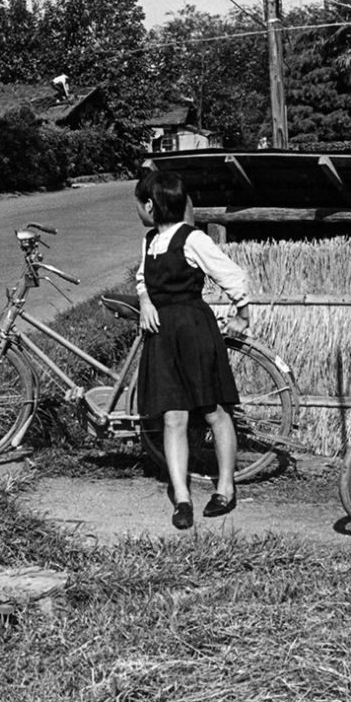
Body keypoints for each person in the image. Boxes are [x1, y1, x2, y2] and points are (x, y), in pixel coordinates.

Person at [134, 170, 251, 530]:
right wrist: (144, 301)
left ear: (150, 205)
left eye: (139, 204)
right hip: (162, 335)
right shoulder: (149, 240)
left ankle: (226, 488)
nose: (138, 211)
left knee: (214, 410)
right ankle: (182, 497)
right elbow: (142, 278)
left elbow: (233, 276)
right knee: (173, 417)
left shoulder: (192, 239)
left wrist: (242, 315)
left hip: (193, 331)